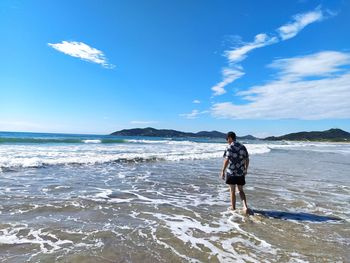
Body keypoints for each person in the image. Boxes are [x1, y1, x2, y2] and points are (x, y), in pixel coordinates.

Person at [220, 131, 250, 214]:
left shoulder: (229, 147)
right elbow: (247, 159)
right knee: (241, 190)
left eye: (227, 139)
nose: (227, 141)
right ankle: (245, 206)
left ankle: (233, 208)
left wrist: (222, 170)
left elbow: (227, 160)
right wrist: (246, 169)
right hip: (240, 172)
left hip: (231, 173)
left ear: (230, 138)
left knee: (232, 191)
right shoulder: (243, 146)